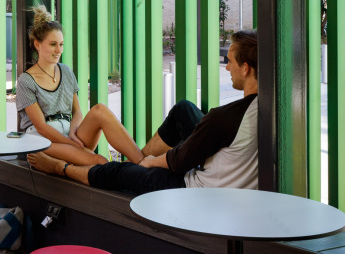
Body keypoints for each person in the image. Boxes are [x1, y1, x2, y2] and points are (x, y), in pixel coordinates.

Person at [28, 29, 259, 195]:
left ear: (246, 68)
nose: (226, 67)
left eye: (229, 62)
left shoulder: (224, 117)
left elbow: (178, 162)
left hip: (197, 187)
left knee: (117, 172)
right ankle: (138, 163)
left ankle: (60, 168)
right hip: (219, 165)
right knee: (184, 109)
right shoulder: (266, 107)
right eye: (53, 44)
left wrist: (150, 163)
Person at [16, 4, 144, 175]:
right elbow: (41, 127)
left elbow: (77, 112)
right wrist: (71, 143)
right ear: (37, 44)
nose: (59, 50)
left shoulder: (66, 71)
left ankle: (142, 163)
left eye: (61, 44)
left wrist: (74, 134)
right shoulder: (26, 81)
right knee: (99, 161)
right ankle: (127, 177)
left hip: (70, 133)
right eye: (53, 44)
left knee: (100, 110)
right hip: (44, 141)